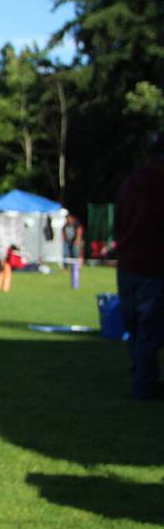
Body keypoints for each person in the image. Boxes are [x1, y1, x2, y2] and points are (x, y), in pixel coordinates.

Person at [114, 143, 164, 400]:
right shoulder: (158, 184)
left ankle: (141, 378)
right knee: (148, 330)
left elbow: (118, 222)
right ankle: (145, 383)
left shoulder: (129, 185)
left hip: (127, 264)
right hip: (152, 267)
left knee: (136, 328)